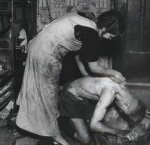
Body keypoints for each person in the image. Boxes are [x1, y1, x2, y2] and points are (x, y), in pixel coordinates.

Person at [16, 11, 125, 145]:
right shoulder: (91, 35)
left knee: (41, 92)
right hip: (45, 54)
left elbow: (79, 59)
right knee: (48, 96)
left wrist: (88, 77)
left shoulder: (85, 23)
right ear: (105, 28)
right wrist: (114, 73)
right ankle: (55, 136)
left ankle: (34, 124)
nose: (109, 38)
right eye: (111, 35)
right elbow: (94, 68)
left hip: (38, 47)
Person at [59, 76, 150, 144]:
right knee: (85, 139)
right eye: (124, 112)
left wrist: (142, 114)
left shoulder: (123, 87)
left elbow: (137, 107)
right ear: (126, 105)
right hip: (71, 98)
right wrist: (119, 132)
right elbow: (93, 126)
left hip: (83, 94)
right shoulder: (108, 95)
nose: (121, 112)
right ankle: (60, 121)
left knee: (101, 116)